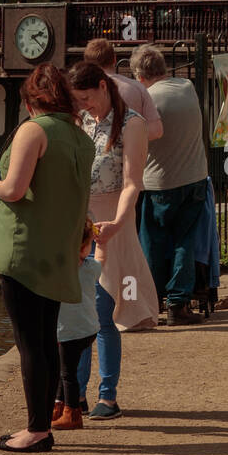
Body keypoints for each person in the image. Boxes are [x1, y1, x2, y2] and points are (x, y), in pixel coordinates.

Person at [0, 64, 93, 453]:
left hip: (25, 251)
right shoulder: (81, 138)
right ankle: (42, 425)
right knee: (47, 339)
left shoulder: (34, 130)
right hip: (59, 251)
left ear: (31, 100)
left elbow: (14, 189)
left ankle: (36, 430)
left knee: (29, 343)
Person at [67, 60, 161, 420]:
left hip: (110, 223)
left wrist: (118, 223)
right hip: (79, 224)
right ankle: (76, 395)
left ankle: (108, 395)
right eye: (78, 100)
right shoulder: (82, 120)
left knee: (103, 313)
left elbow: (133, 181)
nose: (83, 105)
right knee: (78, 314)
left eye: (87, 98)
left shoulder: (132, 123)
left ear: (104, 88)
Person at [131, 45, 209, 325]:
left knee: (152, 241)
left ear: (140, 76)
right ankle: (179, 304)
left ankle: (153, 302)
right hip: (195, 177)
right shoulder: (187, 87)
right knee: (184, 240)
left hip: (159, 182)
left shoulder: (147, 98)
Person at [53, 222, 102, 429]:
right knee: (64, 370)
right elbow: (101, 259)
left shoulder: (58, 268)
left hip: (68, 331)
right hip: (89, 329)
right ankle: (58, 405)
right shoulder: (91, 268)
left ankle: (73, 412)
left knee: (67, 373)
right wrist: (103, 244)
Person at [82, 38, 163, 141]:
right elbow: (156, 131)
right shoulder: (137, 88)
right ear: (114, 59)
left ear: (87, 63)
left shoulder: (80, 93)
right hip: (130, 153)